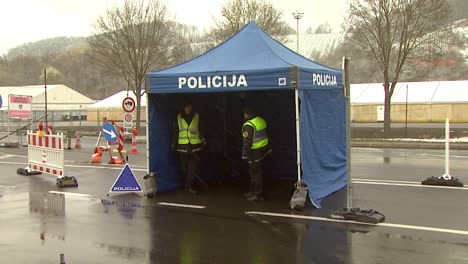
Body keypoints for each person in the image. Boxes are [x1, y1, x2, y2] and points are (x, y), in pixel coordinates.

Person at [172, 101, 206, 194]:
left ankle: (189, 186)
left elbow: (201, 129)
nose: (188, 109)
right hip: (182, 146)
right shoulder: (178, 117)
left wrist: (203, 140)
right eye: (186, 107)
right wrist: (173, 145)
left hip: (195, 145)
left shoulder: (197, 117)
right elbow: (176, 132)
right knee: (184, 168)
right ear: (183, 108)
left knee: (192, 168)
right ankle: (185, 185)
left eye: (189, 107)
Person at [241, 106, 272, 201]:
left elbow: (247, 141)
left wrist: (244, 154)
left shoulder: (249, 125)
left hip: (254, 152)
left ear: (246, 114)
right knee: (257, 172)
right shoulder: (261, 120)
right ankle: (253, 192)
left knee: (255, 174)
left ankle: (257, 194)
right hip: (263, 150)